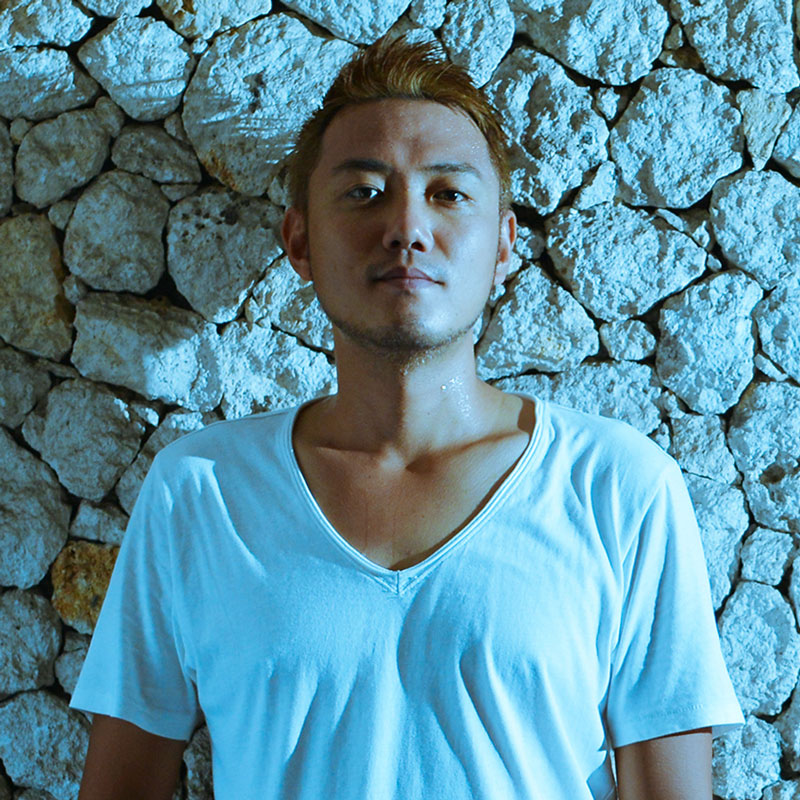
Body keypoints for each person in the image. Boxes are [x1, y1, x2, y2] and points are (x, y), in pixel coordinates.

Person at [71, 34, 744, 799]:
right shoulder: (199, 492)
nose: (407, 228)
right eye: (364, 192)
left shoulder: (619, 488)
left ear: (503, 244)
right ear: (299, 240)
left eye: (449, 193)